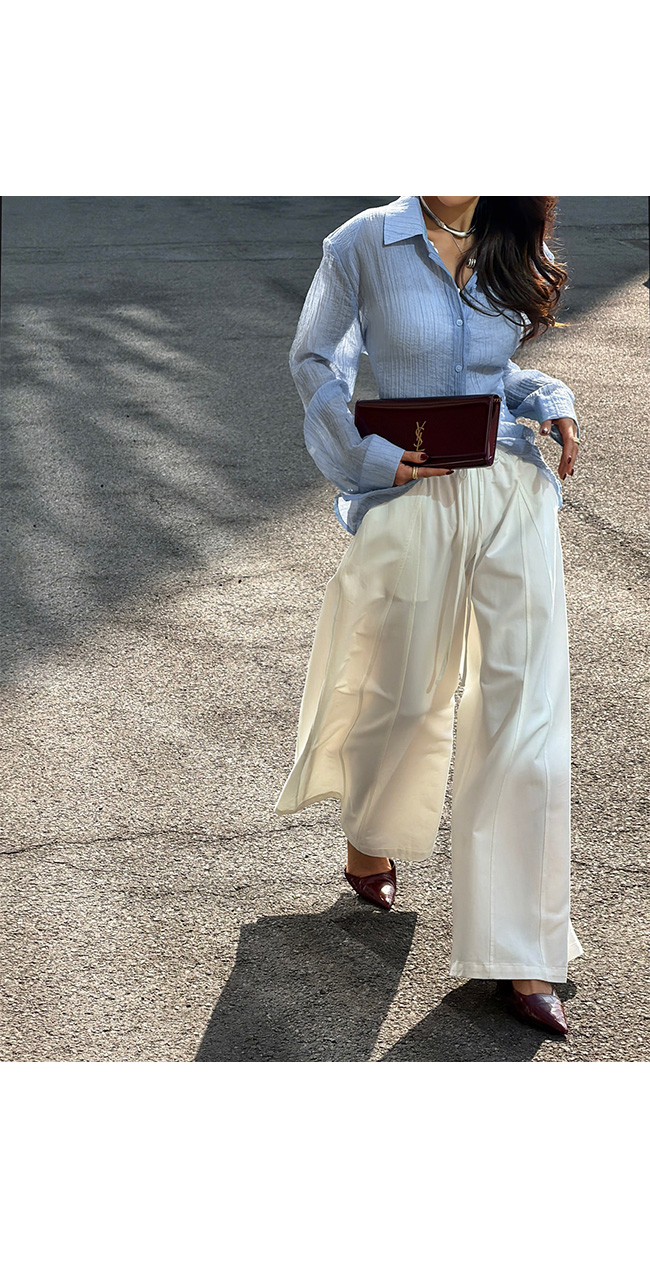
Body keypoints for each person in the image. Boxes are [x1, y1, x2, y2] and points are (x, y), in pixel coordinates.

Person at [274, 195, 584, 1037]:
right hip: (413, 491)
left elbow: (496, 373)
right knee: (405, 692)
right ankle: (370, 828)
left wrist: (548, 396)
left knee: (526, 713)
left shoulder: (509, 233)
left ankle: (522, 949)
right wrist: (368, 457)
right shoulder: (362, 243)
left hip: (512, 492)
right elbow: (316, 359)